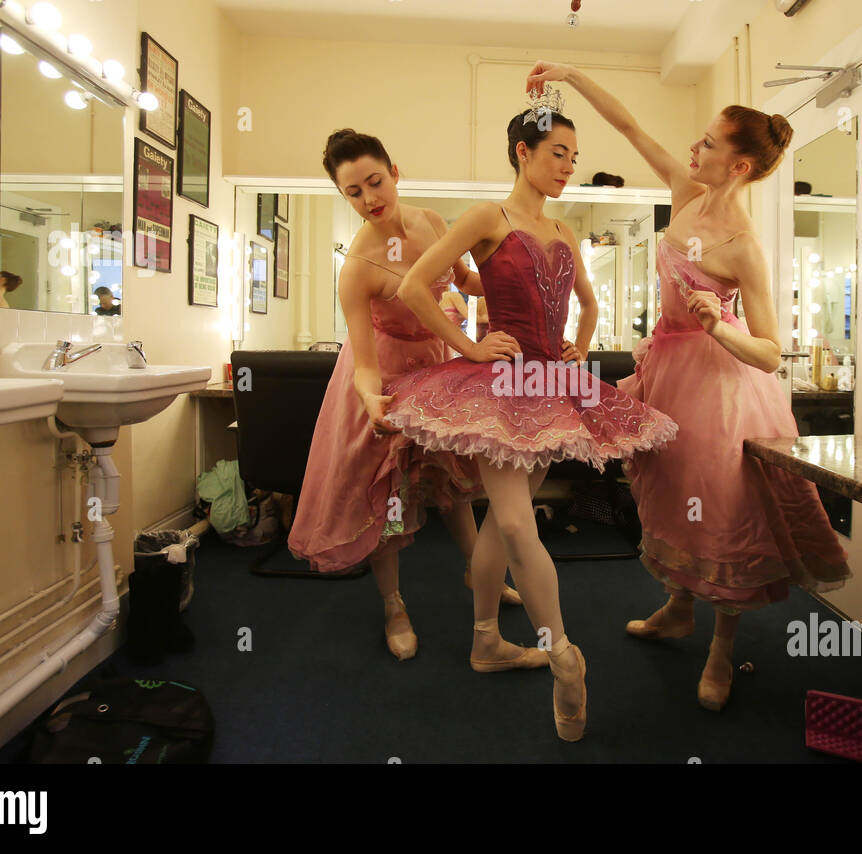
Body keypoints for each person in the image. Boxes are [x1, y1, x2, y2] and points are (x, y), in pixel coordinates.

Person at [526, 61, 851, 711]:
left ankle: (723, 649)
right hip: (667, 373)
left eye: (708, 143)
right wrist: (570, 72)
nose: (693, 148)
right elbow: (628, 124)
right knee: (669, 494)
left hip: (724, 390)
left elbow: (770, 350)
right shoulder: (684, 191)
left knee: (724, 514)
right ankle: (677, 607)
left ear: (737, 167)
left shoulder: (743, 245)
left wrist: (720, 327)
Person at [382, 105, 678, 741]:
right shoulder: (490, 217)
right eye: (557, 154)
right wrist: (467, 348)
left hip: (553, 386)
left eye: (573, 156)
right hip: (501, 384)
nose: (568, 167)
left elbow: (591, 304)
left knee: (499, 521)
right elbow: (414, 284)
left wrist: (581, 343)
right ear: (522, 152)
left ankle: (486, 641)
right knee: (517, 521)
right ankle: (563, 656)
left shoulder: (567, 231)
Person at [287, 129, 525, 666]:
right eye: (354, 192)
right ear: (343, 195)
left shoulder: (432, 222)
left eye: (375, 182)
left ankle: (477, 571)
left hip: (438, 363)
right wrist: (373, 402)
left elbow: (464, 280)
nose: (370, 199)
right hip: (390, 378)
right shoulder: (357, 269)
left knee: (457, 481)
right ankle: (394, 604)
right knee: (391, 494)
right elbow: (365, 363)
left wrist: (516, 278)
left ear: (395, 173)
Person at [438, 285, 470, 358]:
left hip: (438, 343)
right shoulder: (453, 296)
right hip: (454, 340)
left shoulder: (430, 300)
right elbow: (471, 318)